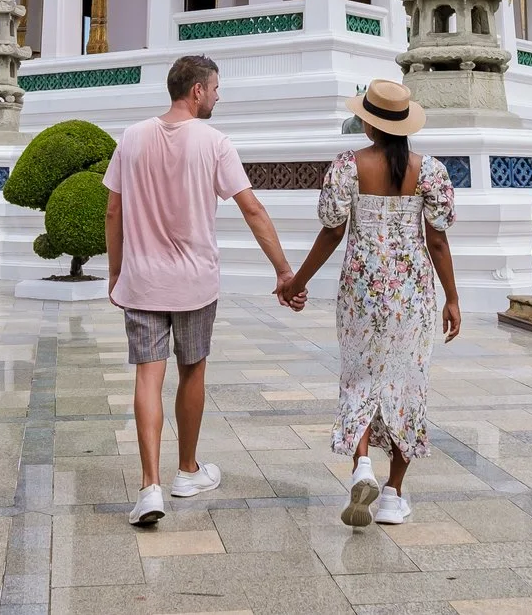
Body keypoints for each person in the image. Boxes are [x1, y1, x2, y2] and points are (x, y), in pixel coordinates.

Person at [105, 53, 293, 528]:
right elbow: (251, 209)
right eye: (215, 88)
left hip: (143, 280)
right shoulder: (213, 142)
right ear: (196, 91)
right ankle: (187, 471)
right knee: (192, 372)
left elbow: (113, 213)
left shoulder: (131, 137)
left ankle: (149, 486)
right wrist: (284, 271)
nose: (218, 96)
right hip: (194, 283)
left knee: (147, 376)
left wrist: (115, 272)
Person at [276, 77, 460, 528]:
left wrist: (296, 281)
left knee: (359, 379)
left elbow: (333, 231)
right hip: (412, 295)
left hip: (361, 293)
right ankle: (394, 496)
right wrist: (452, 298)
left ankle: (361, 467)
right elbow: (436, 241)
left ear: (369, 124)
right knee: (405, 388)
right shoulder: (430, 171)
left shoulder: (347, 167)